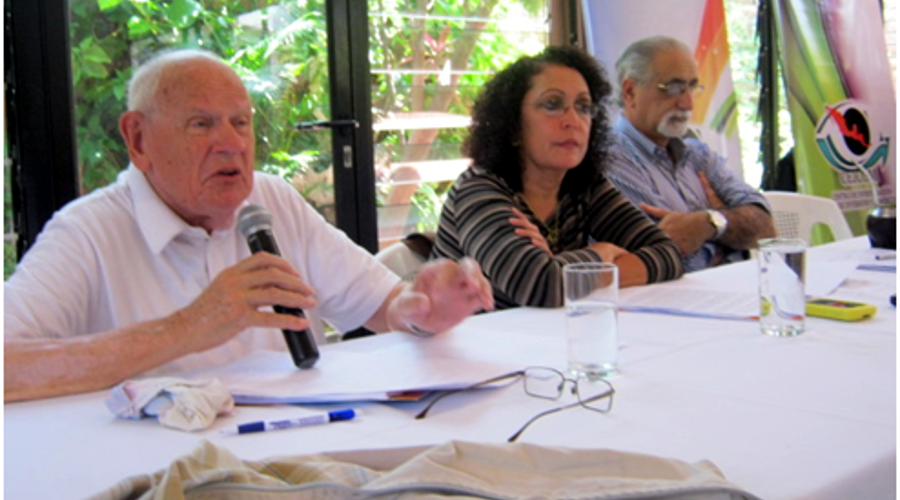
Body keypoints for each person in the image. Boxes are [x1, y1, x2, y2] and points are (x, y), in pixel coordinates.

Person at [4, 49, 494, 402]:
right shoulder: (87, 232)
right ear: (138, 138)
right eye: (202, 124)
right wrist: (188, 328)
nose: (231, 145)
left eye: (240, 123)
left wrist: (423, 310)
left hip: (292, 455)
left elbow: (382, 305)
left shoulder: (271, 199)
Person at [432, 45, 684, 310]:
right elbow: (542, 286)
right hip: (468, 346)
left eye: (584, 107)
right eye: (553, 105)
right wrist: (602, 253)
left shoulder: (585, 185)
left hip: (546, 340)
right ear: (513, 125)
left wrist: (565, 267)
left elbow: (669, 254)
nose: (573, 120)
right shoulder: (478, 189)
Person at [606, 36, 775, 272]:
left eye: (692, 87)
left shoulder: (697, 153)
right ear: (630, 91)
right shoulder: (610, 159)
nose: (687, 104)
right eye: (673, 88)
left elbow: (765, 227)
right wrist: (727, 230)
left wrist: (708, 223)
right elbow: (669, 255)